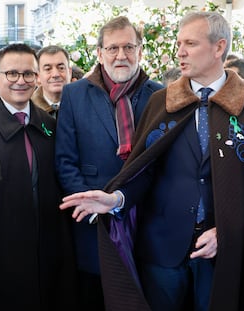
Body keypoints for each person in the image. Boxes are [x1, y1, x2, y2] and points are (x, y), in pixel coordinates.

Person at [60, 11, 244, 311]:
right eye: (178, 43)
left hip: (224, 250)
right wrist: (116, 198)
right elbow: (146, 168)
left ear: (219, 48)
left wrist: (228, 229)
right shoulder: (163, 101)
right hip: (162, 251)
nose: (179, 52)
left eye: (190, 44)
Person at [0, 43, 76, 311]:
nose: (21, 81)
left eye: (28, 74)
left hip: (48, 254)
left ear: (37, 78)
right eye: (12, 74)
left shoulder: (50, 126)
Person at [55, 16, 163, 311]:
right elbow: (65, 160)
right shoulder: (74, 94)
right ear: (100, 54)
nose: (121, 55)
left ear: (140, 51)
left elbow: (165, 162)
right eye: (113, 48)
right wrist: (90, 204)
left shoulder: (161, 95)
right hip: (94, 225)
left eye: (129, 47)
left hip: (149, 220)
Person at [32, 45, 72, 118]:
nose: (55, 74)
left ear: (69, 72)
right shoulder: (28, 111)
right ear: (38, 76)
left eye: (61, 68)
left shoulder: (85, 106)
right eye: (48, 69)